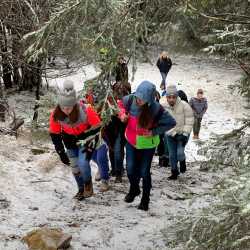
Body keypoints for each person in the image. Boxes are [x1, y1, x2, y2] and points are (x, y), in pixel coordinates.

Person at [118, 81, 176, 211]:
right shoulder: (130, 99)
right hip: (132, 141)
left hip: (147, 145)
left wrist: (153, 132)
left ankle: (145, 200)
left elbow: (171, 122)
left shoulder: (156, 109)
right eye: (138, 97)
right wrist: (122, 114)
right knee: (130, 169)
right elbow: (120, 104)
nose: (138, 101)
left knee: (144, 172)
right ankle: (134, 189)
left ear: (149, 99)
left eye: (142, 99)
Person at [49, 80, 107, 200]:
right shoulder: (56, 114)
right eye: (63, 107)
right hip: (70, 142)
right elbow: (54, 133)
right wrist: (60, 152)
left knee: (82, 163)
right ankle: (81, 190)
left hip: (86, 140)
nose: (66, 110)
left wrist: (87, 137)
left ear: (74, 105)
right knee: (75, 167)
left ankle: (87, 184)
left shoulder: (85, 110)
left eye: (69, 108)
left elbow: (97, 126)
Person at [160, 85, 194, 180]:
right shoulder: (162, 106)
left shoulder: (184, 105)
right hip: (170, 134)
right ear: (166, 97)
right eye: (169, 97)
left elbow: (189, 119)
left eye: (173, 97)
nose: (171, 99)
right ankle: (174, 171)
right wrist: (173, 134)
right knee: (172, 154)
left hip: (182, 133)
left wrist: (185, 134)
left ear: (177, 97)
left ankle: (182, 161)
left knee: (179, 152)